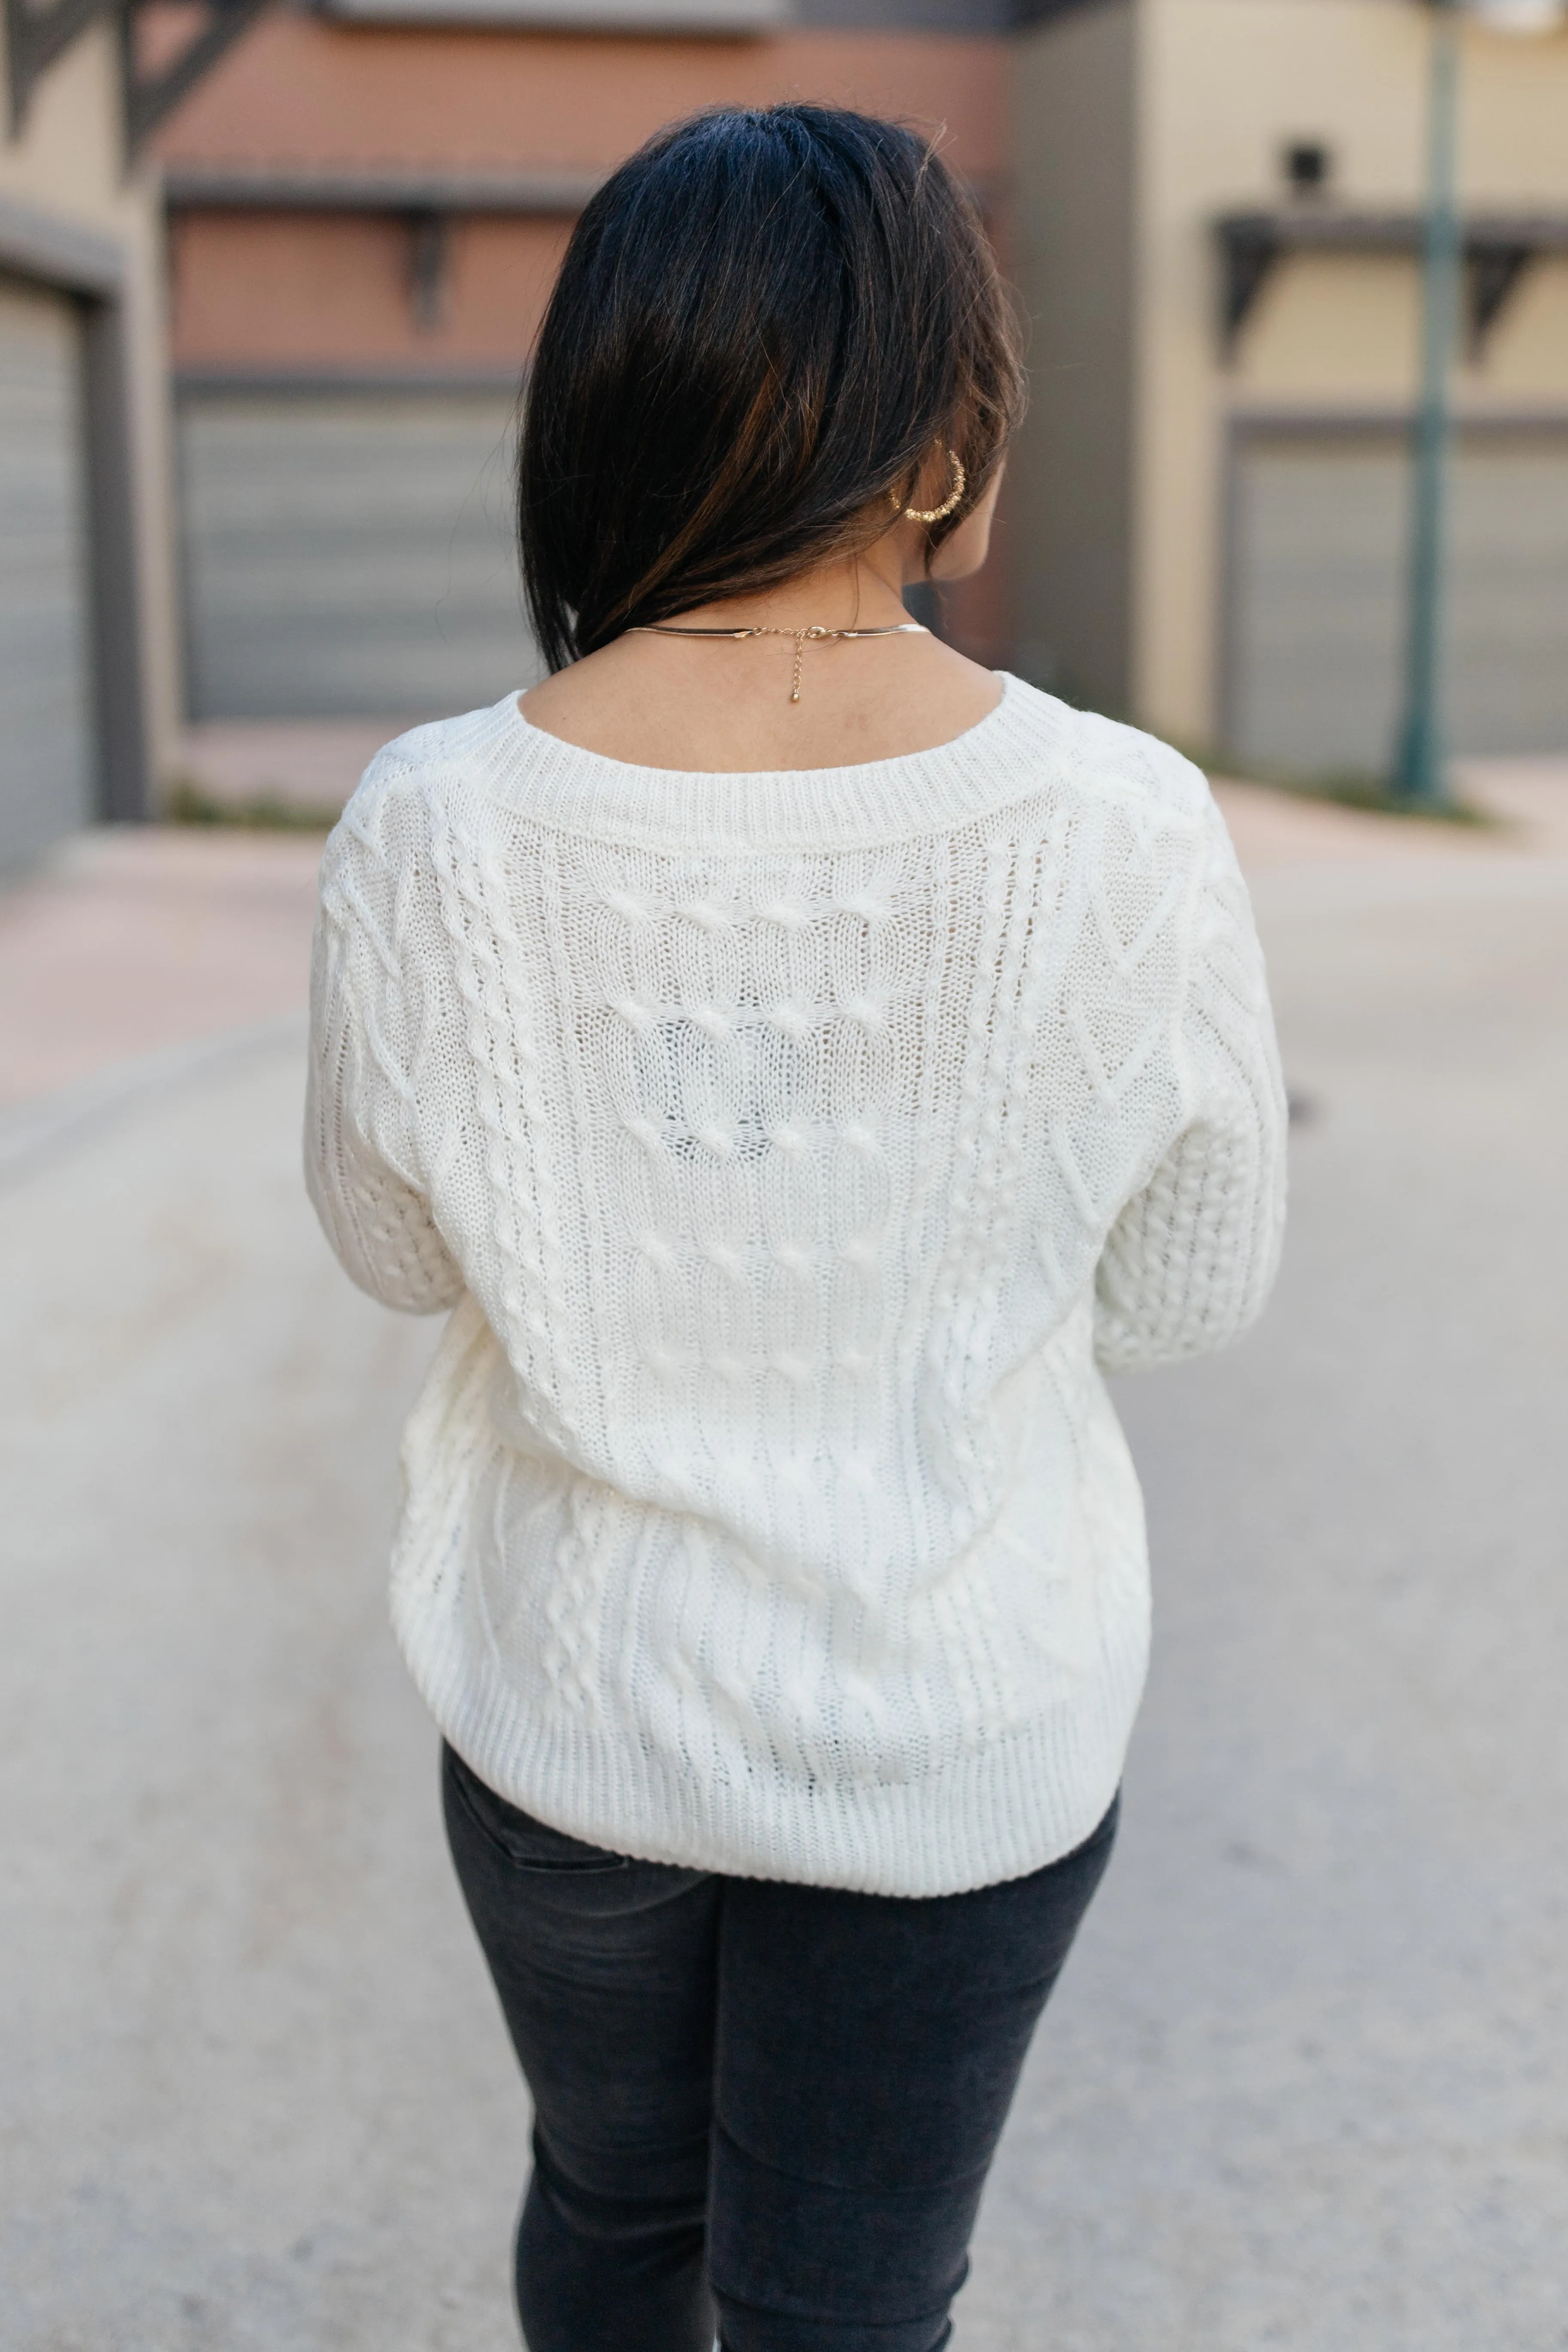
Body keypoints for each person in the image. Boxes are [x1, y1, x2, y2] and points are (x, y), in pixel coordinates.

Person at [305, 102, 1286, 2352]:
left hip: (571, 1714)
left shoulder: (438, 823)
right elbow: (1191, 1290)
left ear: (607, 413)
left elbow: (384, 1248)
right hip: (961, 1733)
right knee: (847, 2307)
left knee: (612, 2218)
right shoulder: (1125, 829)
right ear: (940, 444)